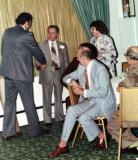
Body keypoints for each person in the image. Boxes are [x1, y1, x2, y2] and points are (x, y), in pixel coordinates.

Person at [48, 43, 117, 158]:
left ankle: (102, 136)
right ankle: (63, 144)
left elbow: (103, 92)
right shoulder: (82, 66)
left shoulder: (101, 69)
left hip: (102, 102)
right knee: (71, 110)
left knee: (83, 118)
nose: (76, 57)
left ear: (84, 58)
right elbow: (65, 77)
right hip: (89, 101)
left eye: (78, 56)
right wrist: (72, 81)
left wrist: (83, 92)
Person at [0, 12, 48, 139]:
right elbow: (36, 51)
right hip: (21, 75)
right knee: (28, 102)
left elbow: (3, 50)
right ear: (26, 22)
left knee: (9, 103)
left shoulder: (7, 32)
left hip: (8, 73)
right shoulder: (27, 35)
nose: (30, 25)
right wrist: (43, 62)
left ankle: (8, 133)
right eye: (30, 23)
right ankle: (35, 131)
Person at [36, 25, 69, 127]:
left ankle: (59, 117)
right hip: (46, 75)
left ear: (57, 34)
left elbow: (66, 61)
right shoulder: (41, 45)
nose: (50, 35)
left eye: (53, 32)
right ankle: (47, 120)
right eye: (49, 32)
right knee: (46, 98)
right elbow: (36, 60)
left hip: (59, 74)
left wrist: (67, 75)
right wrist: (38, 66)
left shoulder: (62, 45)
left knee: (58, 97)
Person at [107, 46, 138, 153]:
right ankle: (131, 144)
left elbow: (129, 83)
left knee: (112, 125)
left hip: (135, 114)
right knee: (116, 115)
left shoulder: (134, 69)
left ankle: (132, 144)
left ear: (129, 57)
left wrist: (120, 86)